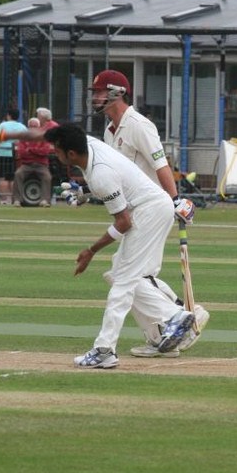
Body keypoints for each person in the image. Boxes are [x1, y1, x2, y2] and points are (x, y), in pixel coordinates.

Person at [13, 123, 195, 369]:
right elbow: (113, 188)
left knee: (124, 282)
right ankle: (171, 316)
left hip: (149, 212)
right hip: (151, 208)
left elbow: (123, 222)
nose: (55, 154)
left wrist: (91, 250)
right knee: (119, 274)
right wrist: (84, 193)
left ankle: (106, 349)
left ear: (72, 154)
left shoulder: (100, 174)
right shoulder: (87, 144)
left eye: (58, 150)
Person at [87, 69, 207, 357]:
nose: (95, 97)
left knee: (123, 274)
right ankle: (162, 336)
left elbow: (160, 164)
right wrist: (83, 194)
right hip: (134, 209)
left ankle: (179, 316)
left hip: (152, 208)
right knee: (133, 275)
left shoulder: (139, 125)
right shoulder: (109, 131)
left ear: (117, 92)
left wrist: (176, 200)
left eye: (99, 91)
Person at [11, 117, 52, 207]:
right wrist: (36, 151)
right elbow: (21, 152)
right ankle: (17, 200)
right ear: (28, 127)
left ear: (39, 127)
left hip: (41, 165)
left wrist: (30, 150)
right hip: (26, 164)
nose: (33, 128)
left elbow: (45, 151)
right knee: (18, 174)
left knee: (47, 177)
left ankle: (45, 200)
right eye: (31, 126)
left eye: (35, 126)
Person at [0, 108, 26, 205]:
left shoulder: (3, 125)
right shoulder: (22, 127)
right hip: (15, 154)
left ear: (8, 115)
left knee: (2, 178)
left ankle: (4, 200)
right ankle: (13, 199)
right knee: (13, 178)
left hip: (1, 153)